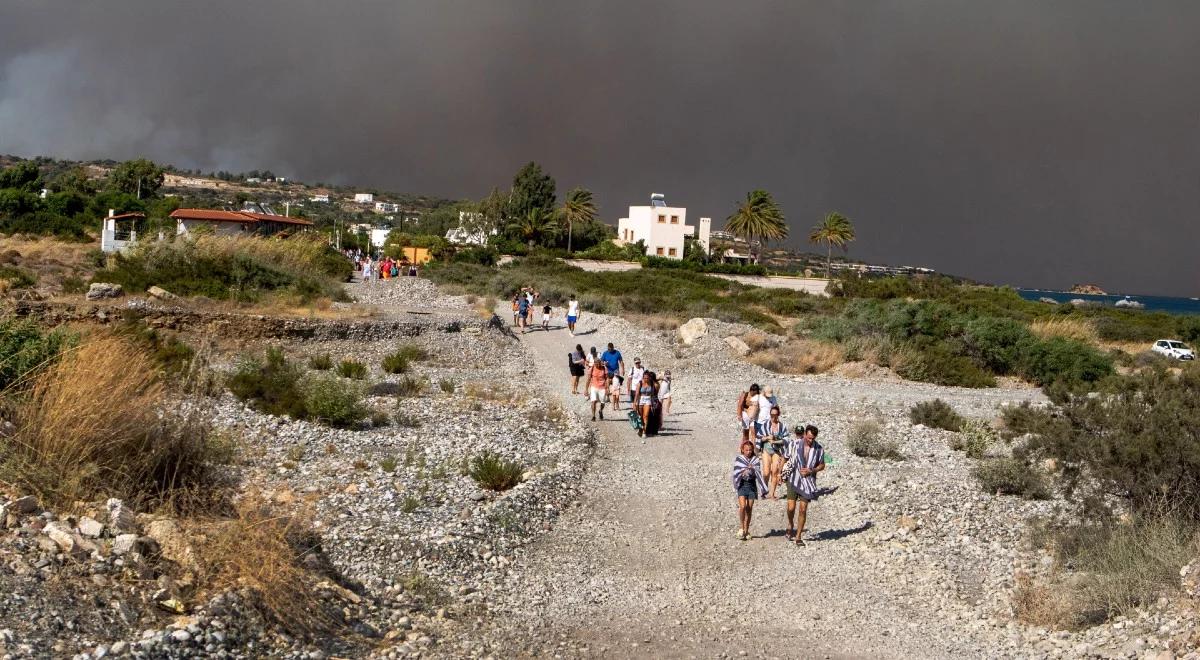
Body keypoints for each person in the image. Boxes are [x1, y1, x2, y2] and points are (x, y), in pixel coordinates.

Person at [782, 425, 825, 546]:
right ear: (805, 434)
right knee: (791, 508)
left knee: (803, 509)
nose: (811, 440)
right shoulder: (794, 444)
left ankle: (798, 535)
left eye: (813, 438)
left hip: (808, 482)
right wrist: (781, 474)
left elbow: (822, 465)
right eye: (809, 437)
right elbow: (785, 458)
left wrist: (812, 470)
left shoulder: (819, 449)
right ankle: (790, 524)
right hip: (793, 479)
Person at [732, 439, 768, 541]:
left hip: (752, 485)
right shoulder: (739, 459)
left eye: (750, 450)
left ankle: (747, 530)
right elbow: (736, 472)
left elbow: (758, 472)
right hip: (742, 484)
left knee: (749, 508)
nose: (749, 452)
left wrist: (752, 469)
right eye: (746, 450)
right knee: (742, 506)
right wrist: (742, 472)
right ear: (742, 450)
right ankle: (741, 527)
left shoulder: (755, 460)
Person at [759, 405, 788, 499]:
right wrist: (767, 437)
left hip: (777, 450)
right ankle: (764, 490)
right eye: (772, 415)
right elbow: (759, 437)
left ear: (778, 415)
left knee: (775, 471)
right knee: (766, 472)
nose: (773, 417)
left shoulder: (782, 426)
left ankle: (772, 494)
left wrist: (776, 440)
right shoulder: (766, 425)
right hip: (766, 449)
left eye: (775, 415)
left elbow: (786, 439)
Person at [633, 370, 658, 438]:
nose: (646, 379)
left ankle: (644, 431)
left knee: (646, 416)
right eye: (645, 378)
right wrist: (634, 403)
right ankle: (641, 429)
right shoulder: (640, 383)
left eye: (647, 378)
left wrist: (653, 404)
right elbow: (637, 394)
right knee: (640, 416)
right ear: (643, 377)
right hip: (641, 399)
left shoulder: (652, 384)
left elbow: (653, 394)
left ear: (649, 377)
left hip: (648, 400)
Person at [587, 354, 608, 421]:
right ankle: (593, 416)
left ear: (600, 363)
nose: (597, 365)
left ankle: (600, 411)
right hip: (594, 387)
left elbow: (607, 378)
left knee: (602, 403)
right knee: (593, 401)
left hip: (602, 387)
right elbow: (588, 379)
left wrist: (607, 388)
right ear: (594, 363)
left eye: (598, 363)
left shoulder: (604, 368)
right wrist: (586, 389)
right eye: (596, 364)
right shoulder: (592, 368)